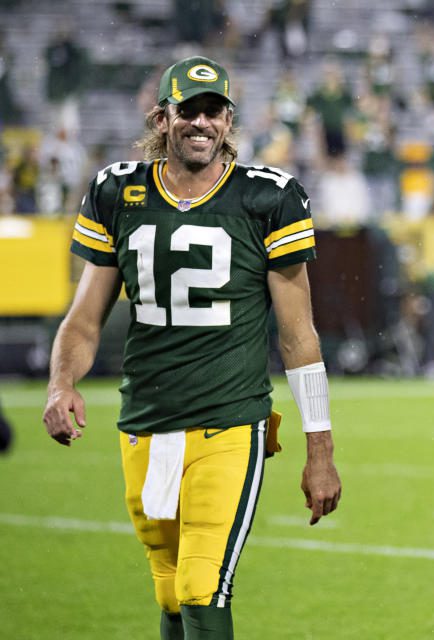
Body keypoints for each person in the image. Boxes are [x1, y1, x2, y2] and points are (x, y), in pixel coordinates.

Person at [42, 56, 342, 639]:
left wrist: (320, 448)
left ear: (229, 120)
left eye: (214, 111)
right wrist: (62, 383)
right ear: (162, 117)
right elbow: (83, 320)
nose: (201, 123)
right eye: (189, 110)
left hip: (228, 424)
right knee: (171, 592)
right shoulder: (118, 191)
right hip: (145, 425)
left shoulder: (268, 198)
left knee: (203, 588)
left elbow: (298, 334)